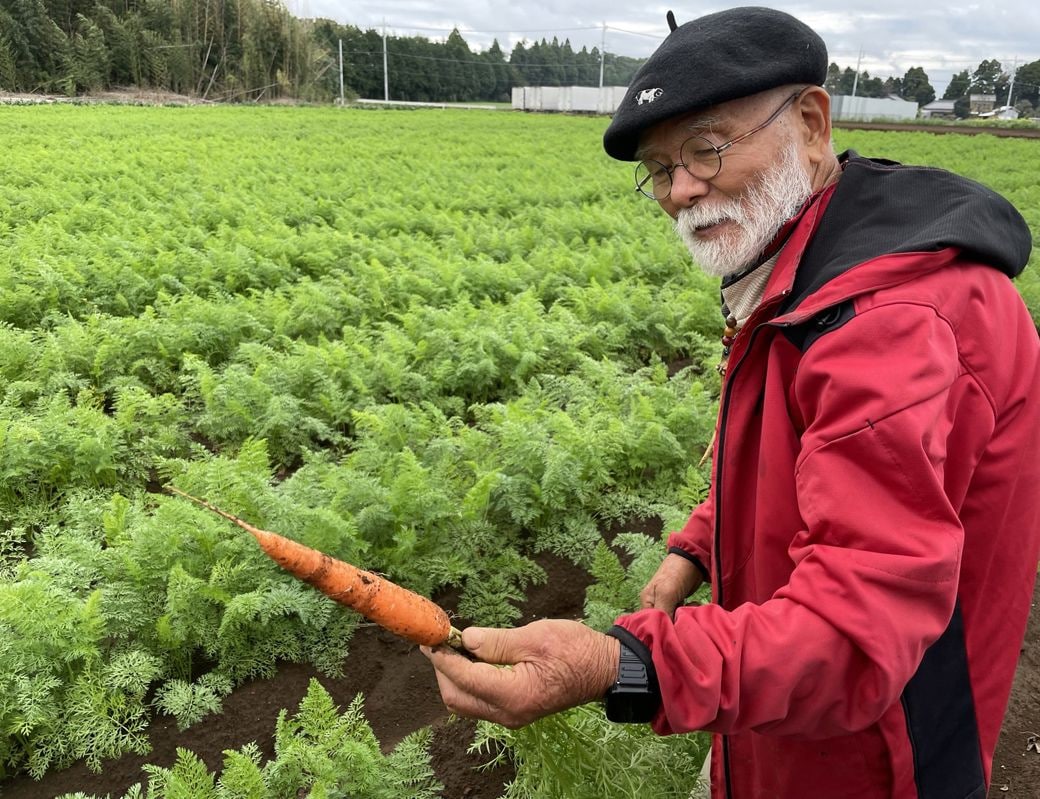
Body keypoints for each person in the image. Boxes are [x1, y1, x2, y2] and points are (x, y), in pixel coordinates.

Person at [423, 6, 1040, 797]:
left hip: (880, 759)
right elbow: (803, 460)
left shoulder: (888, 325)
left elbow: (854, 636)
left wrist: (625, 664)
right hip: (784, 719)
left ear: (811, 124)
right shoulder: (801, 262)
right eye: (658, 168)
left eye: (708, 149)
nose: (681, 191)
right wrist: (702, 545)